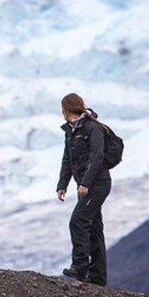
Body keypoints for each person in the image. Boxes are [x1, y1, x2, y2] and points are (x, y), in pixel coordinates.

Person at [57, 93, 111, 286]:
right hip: (85, 186)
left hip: (97, 184)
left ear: (68, 109)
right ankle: (98, 278)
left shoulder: (92, 128)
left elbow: (97, 157)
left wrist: (86, 183)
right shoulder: (70, 130)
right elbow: (67, 159)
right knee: (95, 229)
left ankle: (80, 267)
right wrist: (62, 184)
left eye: (63, 109)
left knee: (78, 221)